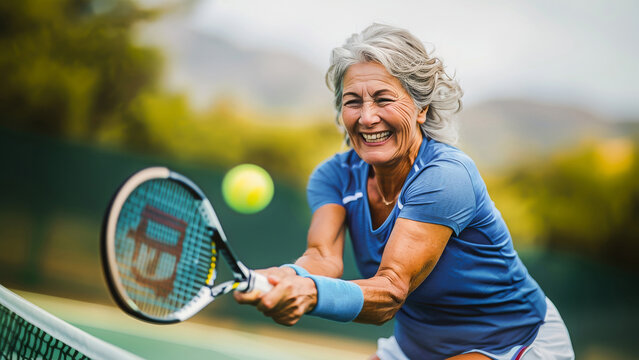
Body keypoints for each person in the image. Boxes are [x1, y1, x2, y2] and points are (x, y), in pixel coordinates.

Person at [234, 23, 574, 360]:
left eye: (383, 100)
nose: (367, 118)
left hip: (512, 342)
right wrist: (287, 277)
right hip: (417, 346)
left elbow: (390, 290)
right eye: (353, 102)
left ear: (421, 108)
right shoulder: (333, 176)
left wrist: (310, 293)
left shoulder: (445, 177)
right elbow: (322, 258)